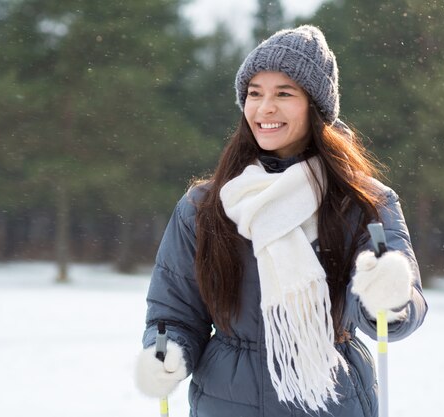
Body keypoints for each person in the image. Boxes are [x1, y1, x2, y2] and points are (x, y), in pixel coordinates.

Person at [134, 25, 428, 417]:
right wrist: (165, 351)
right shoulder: (206, 206)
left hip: (329, 398)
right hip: (227, 402)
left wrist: (390, 297)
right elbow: (174, 313)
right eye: (255, 94)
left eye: (284, 94)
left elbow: (397, 316)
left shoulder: (363, 202)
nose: (265, 108)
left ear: (316, 106)